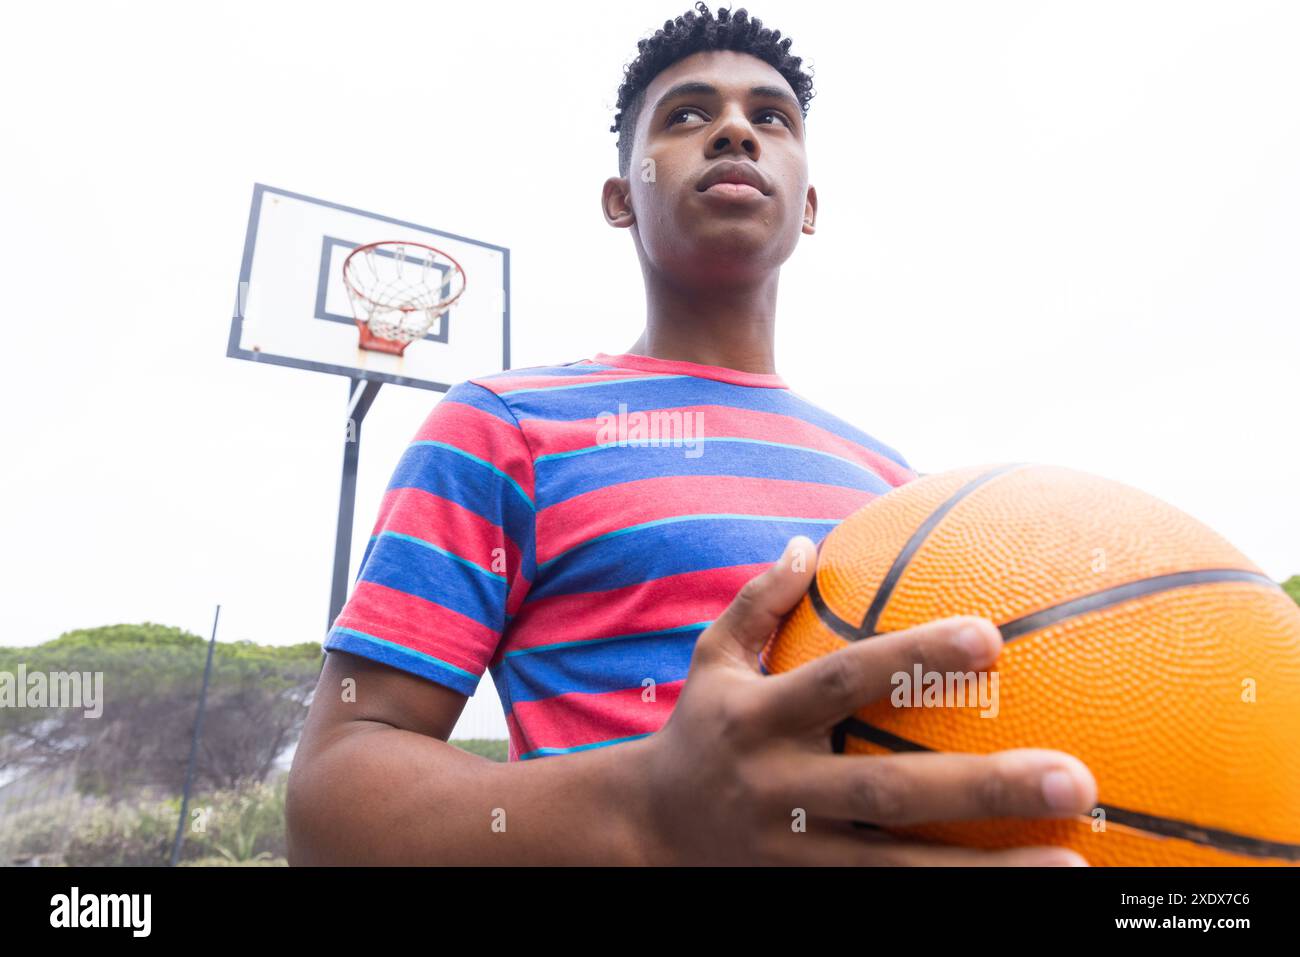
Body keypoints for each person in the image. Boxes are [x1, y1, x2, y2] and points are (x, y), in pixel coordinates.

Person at [286, 3, 1095, 865]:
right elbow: (329, 806)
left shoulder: (908, 493)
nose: (736, 131)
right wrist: (646, 811)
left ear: (810, 204)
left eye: (770, 117)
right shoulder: (505, 428)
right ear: (620, 195)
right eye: (687, 115)